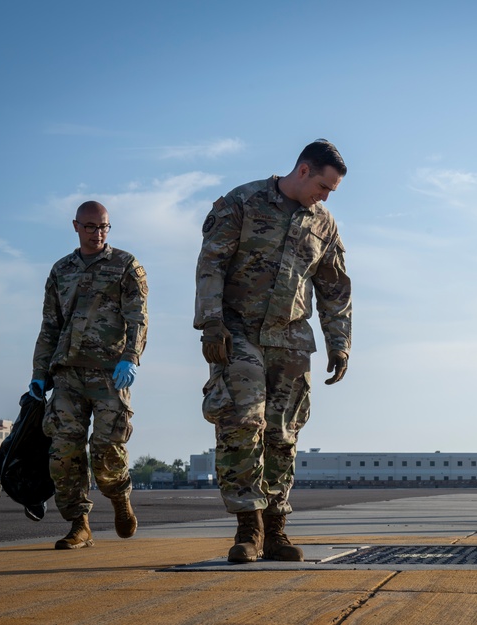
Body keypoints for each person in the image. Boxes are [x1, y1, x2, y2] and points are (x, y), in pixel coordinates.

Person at [195, 139, 352, 563]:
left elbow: (334, 289)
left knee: (283, 434)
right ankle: (249, 527)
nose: (325, 195)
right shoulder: (242, 203)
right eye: (323, 186)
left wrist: (340, 344)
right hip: (238, 331)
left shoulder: (324, 225)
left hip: (291, 338)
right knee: (243, 421)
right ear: (303, 170)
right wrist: (210, 321)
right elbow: (211, 263)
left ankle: (277, 529)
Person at [29, 200, 148, 549]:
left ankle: (120, 499)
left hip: (111, 374)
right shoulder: (61, 270)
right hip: (67, 373)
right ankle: (78, 524)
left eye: (104, 227)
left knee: (107, 450)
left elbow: (138, 317)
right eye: (91, 227)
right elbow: (50, 325)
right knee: (64, 452)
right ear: (76, 226)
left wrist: (131, 357)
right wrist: (39, 372)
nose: (98, 233)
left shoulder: (126, 266)